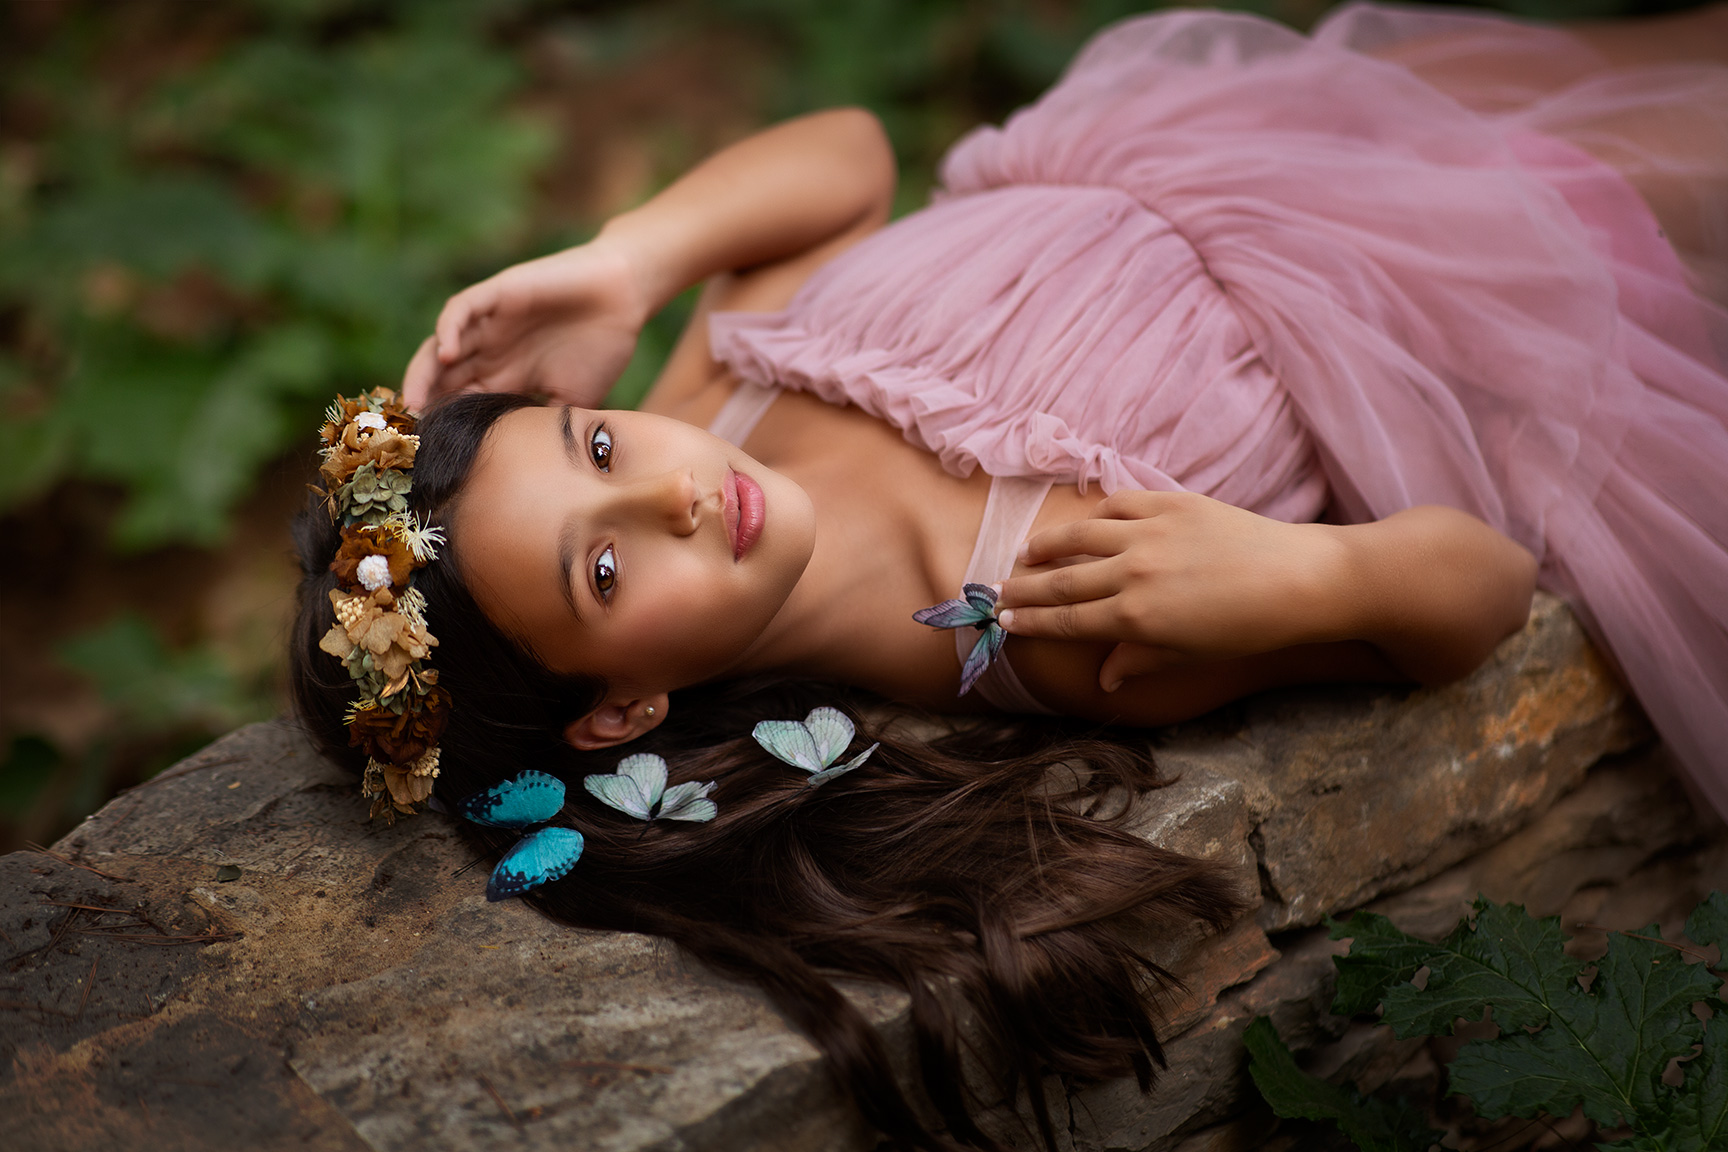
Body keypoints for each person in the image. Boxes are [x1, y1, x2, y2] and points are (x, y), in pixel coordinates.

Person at [291, 4, 1728, 1148]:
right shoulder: (1057, 614)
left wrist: (627, 260)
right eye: (603, 566)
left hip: (1237, 148)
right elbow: (1477, 590)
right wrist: (1300, 580)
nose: (670, 491)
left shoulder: (719, 414)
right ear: (619, 710)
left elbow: (849, 152)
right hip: (1456, 287)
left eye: (597, 442)